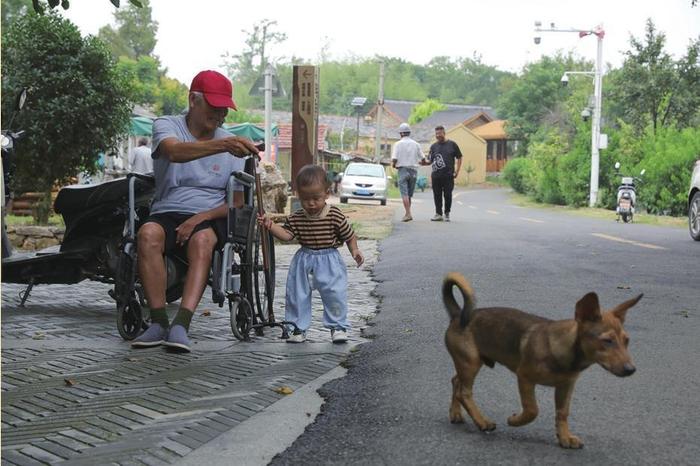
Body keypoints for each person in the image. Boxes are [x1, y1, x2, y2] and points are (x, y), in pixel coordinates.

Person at [131, 70, 259, 353]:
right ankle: (158, 321)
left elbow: (237, 201)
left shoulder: (231, 143)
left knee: (203, 240)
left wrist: (200, 218)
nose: (220, 114)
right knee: (147, 234)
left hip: (209, 214)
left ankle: (182, 324)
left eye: (224, 108)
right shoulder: (167, 125)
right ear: (193, 100)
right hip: (167, 208)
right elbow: (174, 152)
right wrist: (223, 145)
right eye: (214, 106)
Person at [258, 165, 364, 344]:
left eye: (316, 198)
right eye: (306, 199)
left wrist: (354, 250)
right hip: (304, 259)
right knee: (297, 294)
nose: (312, 204)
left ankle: (338, 327)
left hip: (329, 259)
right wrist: (270, 226)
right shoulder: (297, 217)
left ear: (327, 194)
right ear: (298, 195)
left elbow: (349, 235)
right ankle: (297, 328)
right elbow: (287, 235)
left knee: (334, 293)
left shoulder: (334, 215)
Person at [426, 125, 462, 222]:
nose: (438, 135)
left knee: (448, 194)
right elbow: (429, 161)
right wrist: (423, 162)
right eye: (436, 134)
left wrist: (457, 171)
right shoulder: (433, 147)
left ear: (444, 133)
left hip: (448, 175)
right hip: (436, 176)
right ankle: (438, 214)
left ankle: (447, 213)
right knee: (437, 194)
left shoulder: (452, 144)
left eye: (440, 133)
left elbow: (459, 157)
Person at [391, 123, 425, 222]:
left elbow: (394, 159)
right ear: (409, 133)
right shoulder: (416, 144)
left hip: (403, 170)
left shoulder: (397, 144)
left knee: (404, 194)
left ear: (401, 133)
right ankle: (407, 213)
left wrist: (394, 165)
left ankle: (408, 213)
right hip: (413, 171)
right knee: (409, 194)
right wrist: (421, 163)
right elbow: (423, 158)